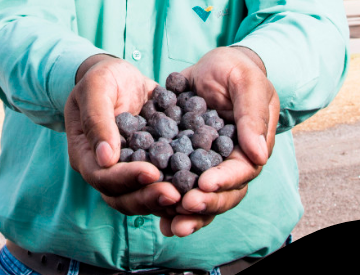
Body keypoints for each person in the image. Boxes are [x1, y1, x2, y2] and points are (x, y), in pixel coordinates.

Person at [0, 0, 349, 274]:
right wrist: (81, 71)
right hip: (40, 265)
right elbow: (12, 21)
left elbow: (311, 21)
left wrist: (251, 66)